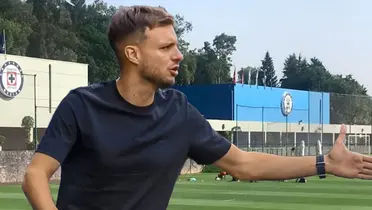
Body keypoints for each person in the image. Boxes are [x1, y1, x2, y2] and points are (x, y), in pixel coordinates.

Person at [22, 5, 372, 210]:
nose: (179, 55)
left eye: (178, 45)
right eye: (166, 48)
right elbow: (35, 175)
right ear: (132, 54)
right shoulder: (82, 105)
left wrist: (325, 162)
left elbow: (243, 163)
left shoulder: (179, 112)